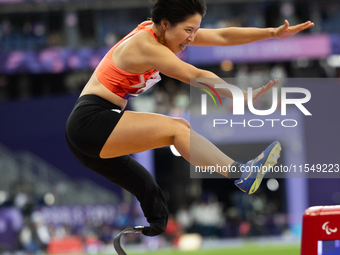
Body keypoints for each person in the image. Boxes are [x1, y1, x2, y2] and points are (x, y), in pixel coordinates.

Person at [65, 0, 314, 237]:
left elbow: (222, 36)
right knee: (177, 129)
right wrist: (237, 94)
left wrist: (271, 33)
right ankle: (241, 173)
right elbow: (193, 74)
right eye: (188, 30)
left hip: (93, 128)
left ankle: (155, 225)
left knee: (153, 179)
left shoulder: (161, 33)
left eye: (195, 30)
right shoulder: (146, 45)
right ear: (165, 23)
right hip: (90, 121)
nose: (192, 38)